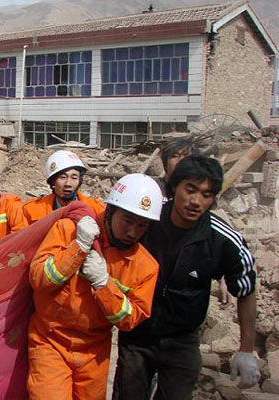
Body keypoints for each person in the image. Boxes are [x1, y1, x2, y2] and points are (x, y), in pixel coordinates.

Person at [113, 155, 260, 400]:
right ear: (175, 187)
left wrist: (246, 349)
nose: (195, 201)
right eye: (190, 190)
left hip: (182, 341)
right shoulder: (148, 220)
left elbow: (246, 289)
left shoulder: (222, 239)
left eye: (206, 194)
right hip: (137, 335)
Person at [28, 173, 163, 400]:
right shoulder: (69, 230)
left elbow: (130, 319)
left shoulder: (145, 266)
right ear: (110, 211)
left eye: (142, 225)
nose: (133, 232)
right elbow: (39, 279)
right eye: (127, 221)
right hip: (50, 340)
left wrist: (103, 285)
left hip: (94, 352)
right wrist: (78, 247)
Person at [23, 150, 103, 224]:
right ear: (53, 181)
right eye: (63, 177)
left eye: (74, 178)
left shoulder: (97, 210)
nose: (68, 183)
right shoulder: (32, 210)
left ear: (79, 181)